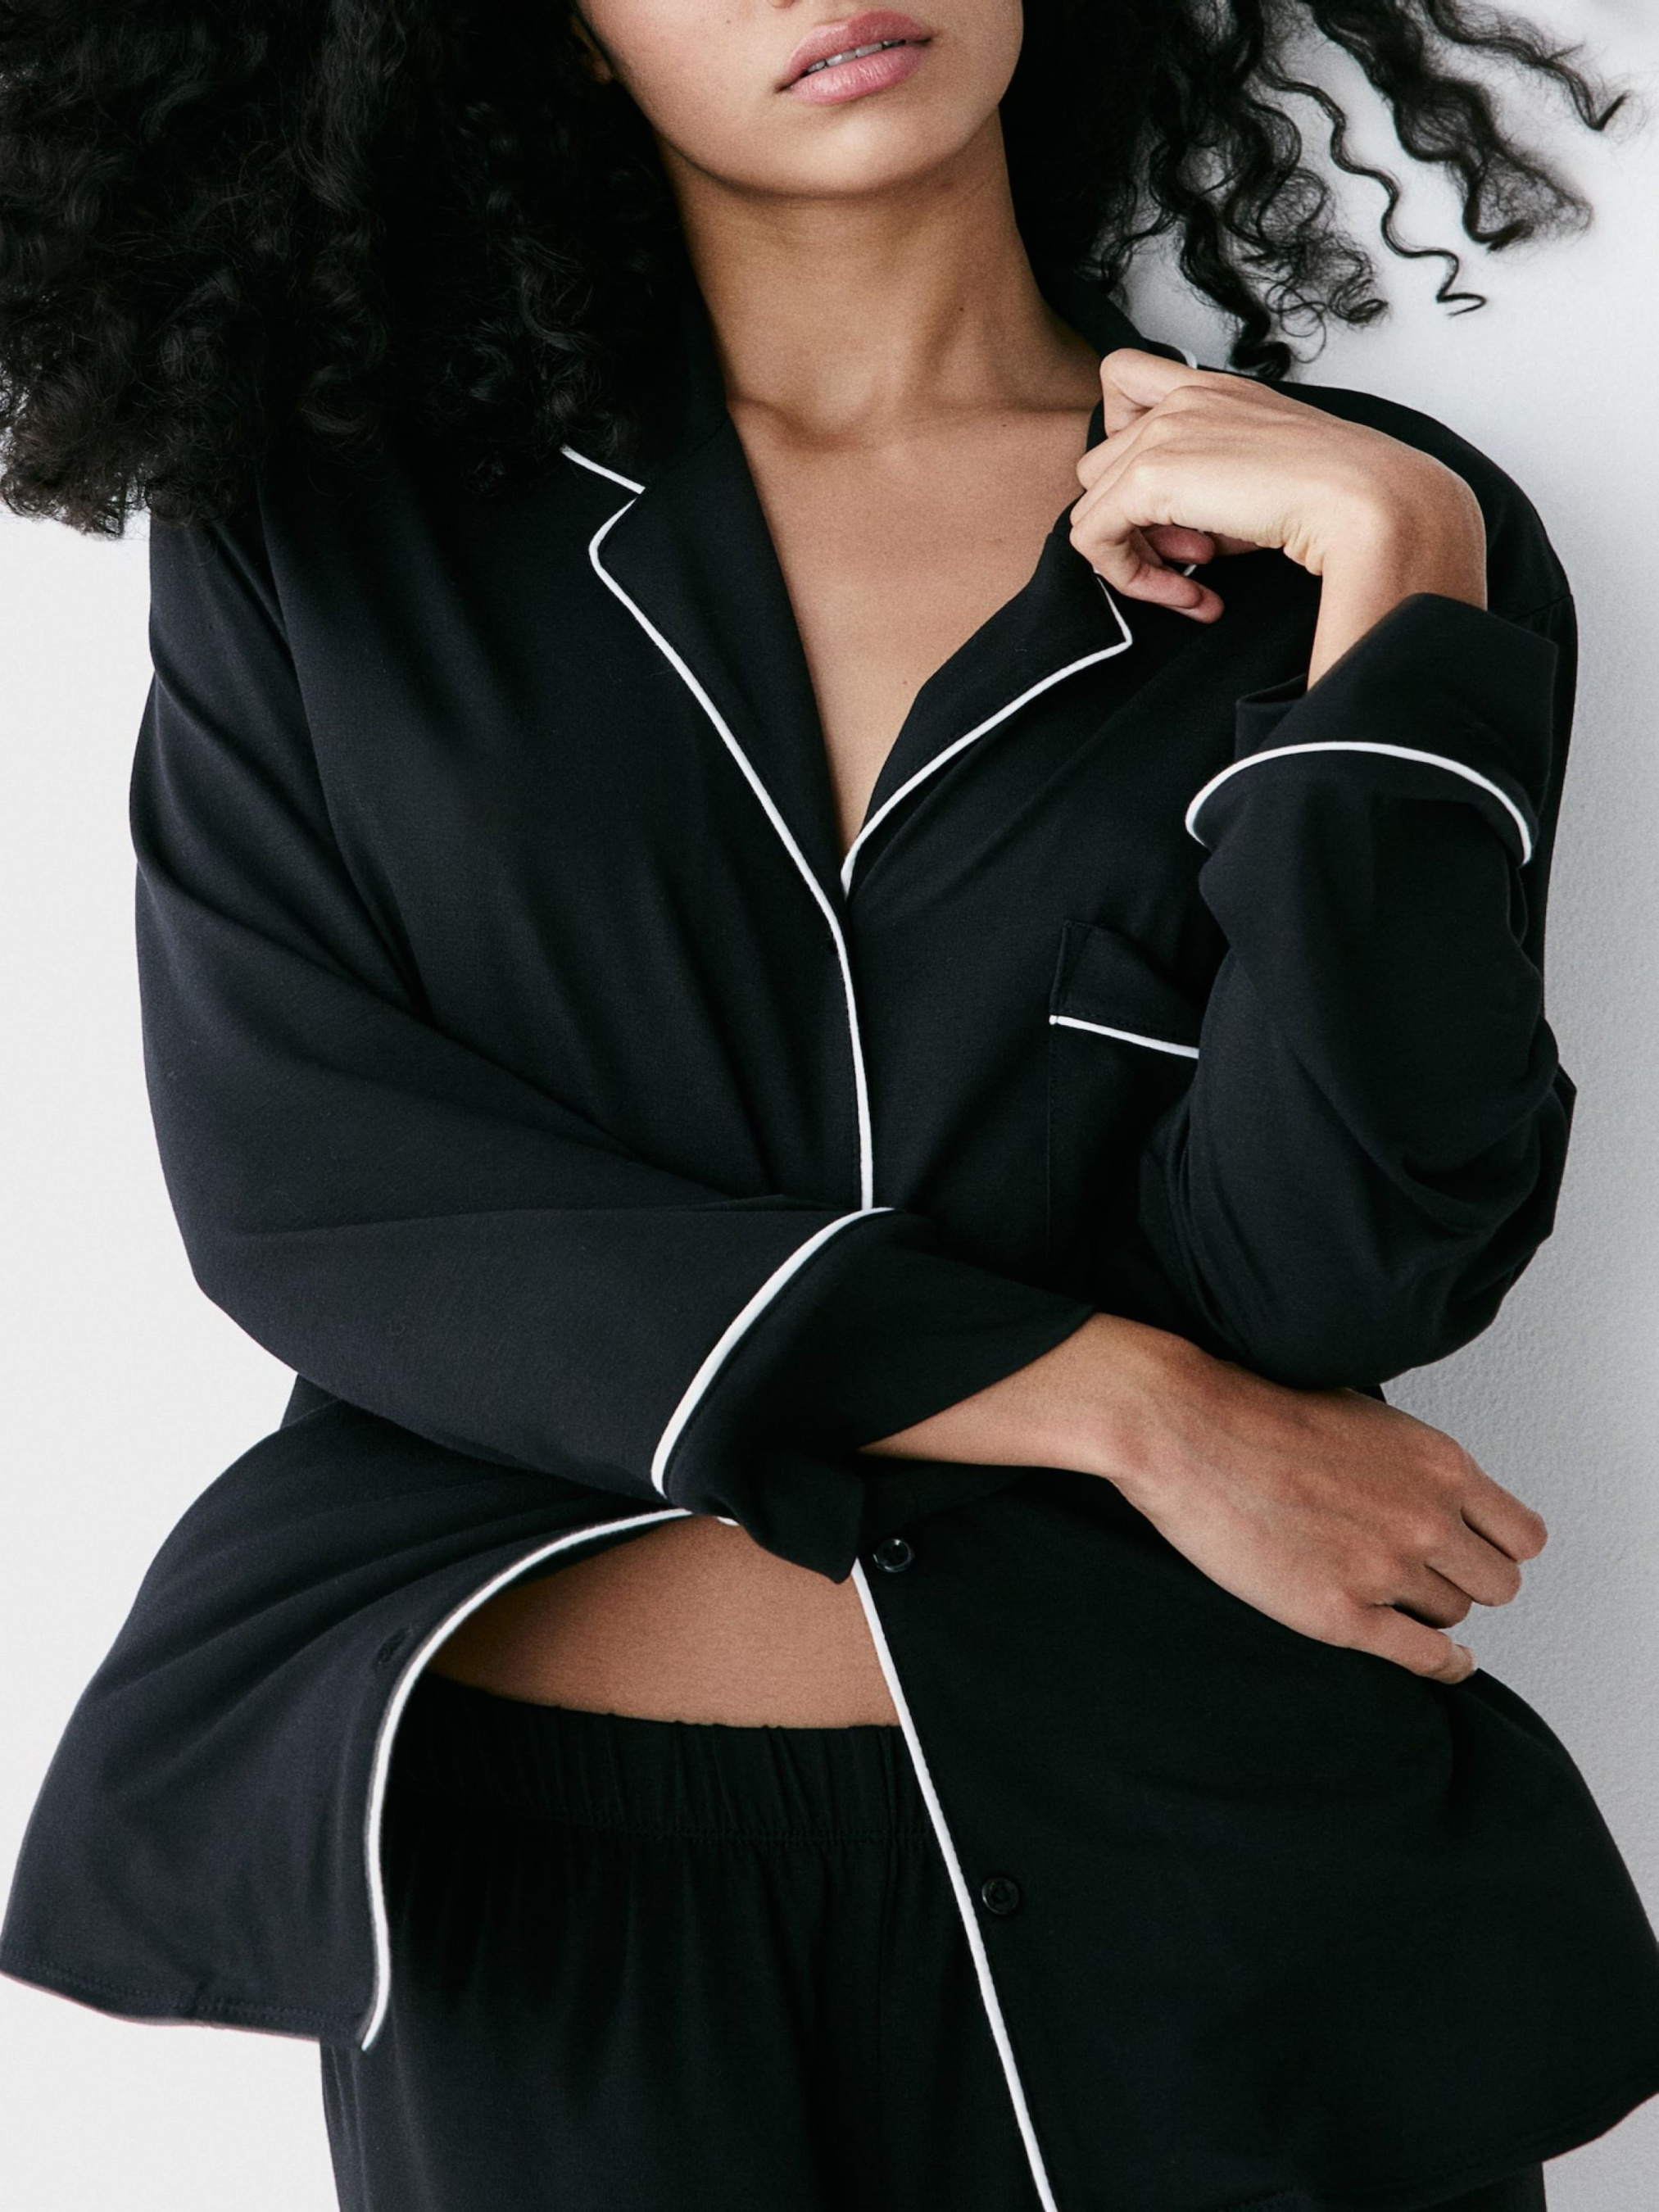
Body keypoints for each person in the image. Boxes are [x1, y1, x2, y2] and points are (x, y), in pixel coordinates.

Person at [3, 2, 1657, 2209]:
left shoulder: (1356, 533)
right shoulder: (332, 532)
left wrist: (1403, 579)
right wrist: (1129, 1406)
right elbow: (318, 1192)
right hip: (551, 1911)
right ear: (557, 33)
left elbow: (1355, 1261)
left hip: (1209, 1884)